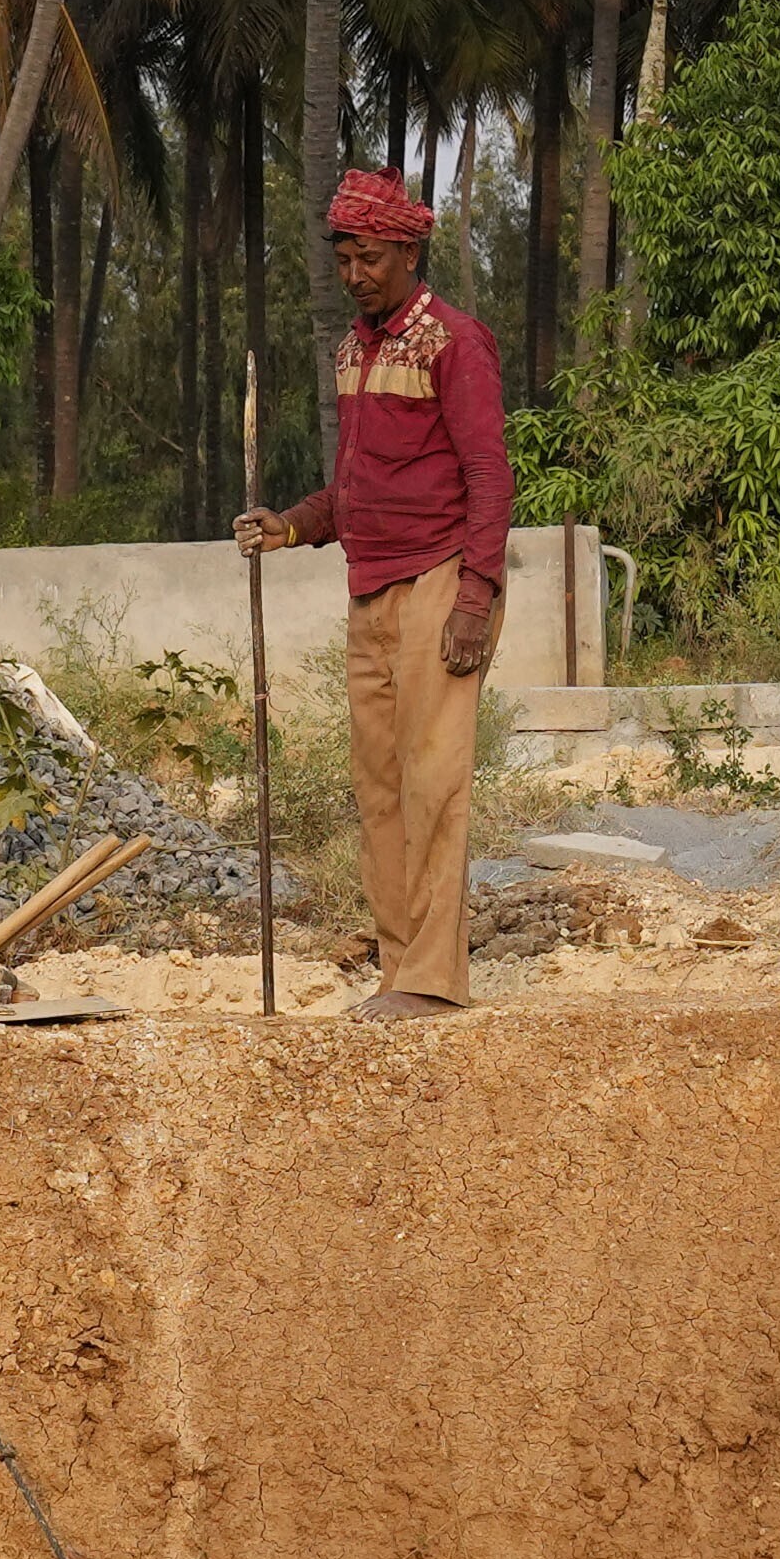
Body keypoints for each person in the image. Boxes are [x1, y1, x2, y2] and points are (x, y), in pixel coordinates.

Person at [238, 166, 509, 1019]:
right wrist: (291, 524)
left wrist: (477, 595)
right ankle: (402, 973)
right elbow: (352, 490)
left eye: (368, 258)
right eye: (344, 259)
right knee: (381, 791)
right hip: (370, 588)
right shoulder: (354, 349)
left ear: (408, 250)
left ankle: (434, 981)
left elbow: (488, 476)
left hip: (438, 582)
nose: (354, 274)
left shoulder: (454, 341)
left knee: (434, 786)